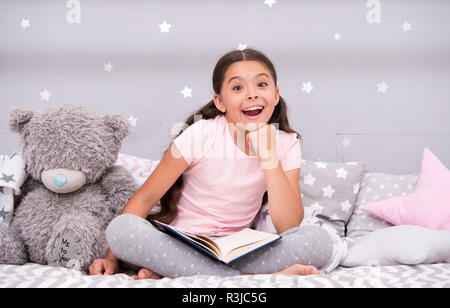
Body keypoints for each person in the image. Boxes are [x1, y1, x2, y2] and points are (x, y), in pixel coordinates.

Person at [89, 48, 333, 280]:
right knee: (121, 229)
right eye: (238, 87)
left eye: (261, 84)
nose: (252, 94)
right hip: (182, 244)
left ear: (275, 95)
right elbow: (144, 198)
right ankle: (248, 277)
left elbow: (288, 225)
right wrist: (111, 259)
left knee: (318, 242)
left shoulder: (287, 143)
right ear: (220, 102)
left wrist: (269, 156)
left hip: (240, 249)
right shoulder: (200, 134)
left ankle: (177, 271)